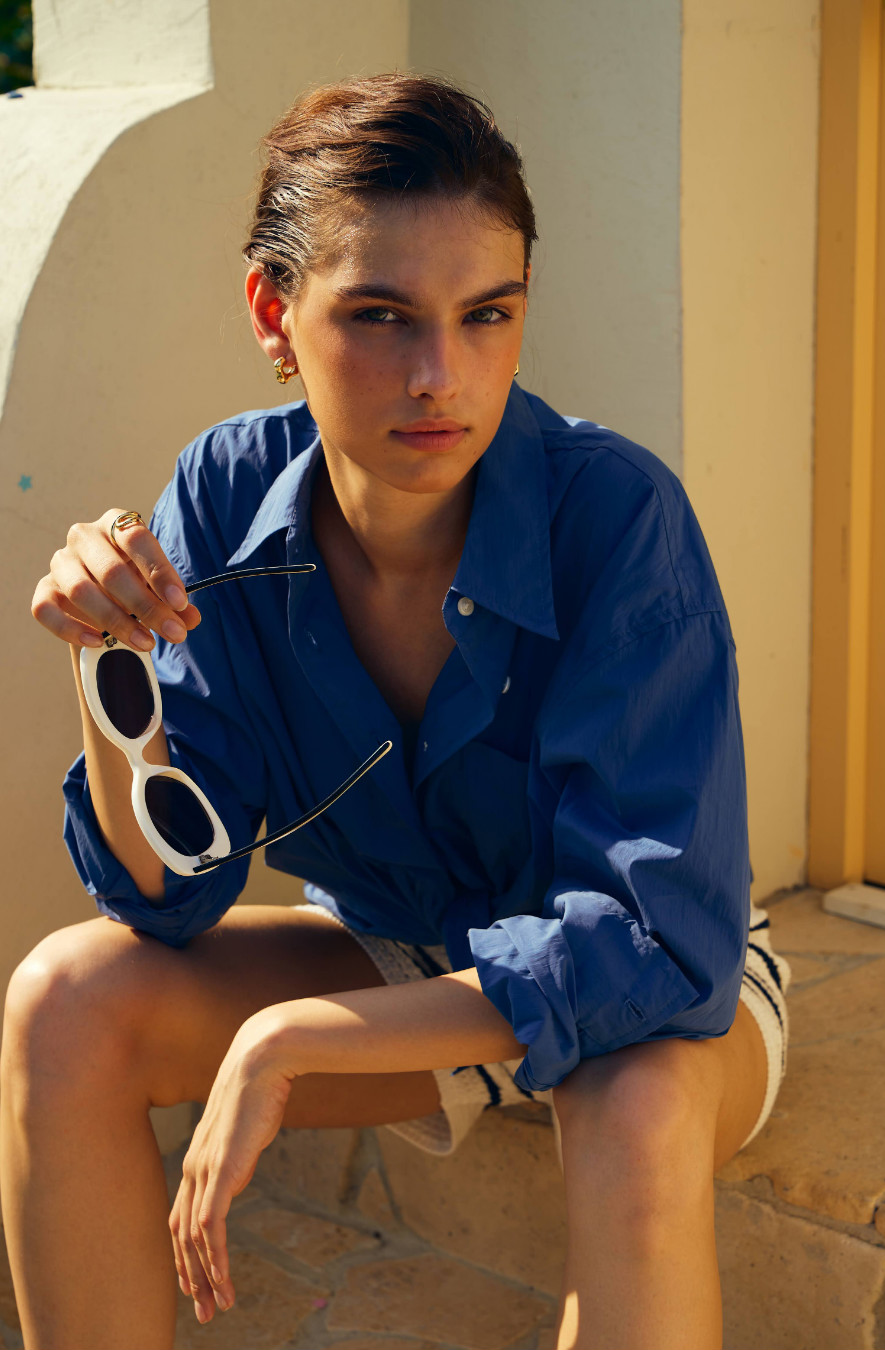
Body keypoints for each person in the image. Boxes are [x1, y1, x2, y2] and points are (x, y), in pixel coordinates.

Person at [2, 72, 791, 1350]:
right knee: (61, 1003)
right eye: (381, 315)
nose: (441, 376)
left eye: (488, 315)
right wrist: (112, 672)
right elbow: (168, 898)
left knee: (639, 1111)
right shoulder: (225, 490)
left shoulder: (617, 517)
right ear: (275, 312)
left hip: (632, 979)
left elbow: (655, 947)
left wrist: (293, 1036)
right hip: (397, 949)